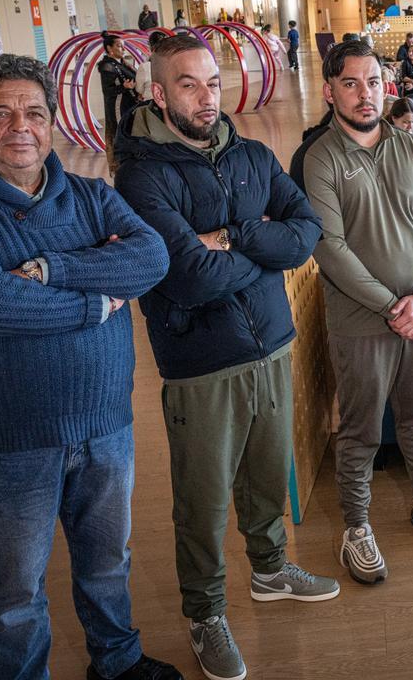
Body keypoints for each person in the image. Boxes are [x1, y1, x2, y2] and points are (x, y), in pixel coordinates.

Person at [0, 54, 179, 680]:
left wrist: (48, 270)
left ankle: (116, 661)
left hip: (106, 426)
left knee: (107, 562)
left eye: (34, 112)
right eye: (0, 113)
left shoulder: (91, 195)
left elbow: (151, 258)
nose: (20, 127)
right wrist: (96, 304)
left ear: (53, 121)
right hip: (10, 440)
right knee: (16, 590)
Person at [114, 35, 334, 680]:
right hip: (201, 361)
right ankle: (205, 612)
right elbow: (188, 277)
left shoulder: (254, 155)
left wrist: (231, 238)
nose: (207, 97)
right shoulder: (141, 177)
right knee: (203, 503)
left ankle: (269, 571)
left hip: (271, 344)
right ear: (159, 94)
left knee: (266, 478)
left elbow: (305, 234)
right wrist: (258, 249)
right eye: (189, 84)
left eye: (213, 82)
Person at [303, 40, 413, 587]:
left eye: (374, 82)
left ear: (388, 86)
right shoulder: (321, 158)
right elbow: (330, 249)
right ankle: (356, 527)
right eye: (351, 83)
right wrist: (390, 305)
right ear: (330, 91)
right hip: (361, 322)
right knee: (359, 432)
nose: (365, 94)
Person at [97, 31, 139, 176]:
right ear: (109, 48)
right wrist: (124, 87)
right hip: (117, 109)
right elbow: (107, 91)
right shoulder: (107, 66)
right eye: (119, 46)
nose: (123, 49)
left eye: (123, 46)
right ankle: (120, 170)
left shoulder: (123, 64)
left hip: (129, 106)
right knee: (118, 136)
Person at [134, 30, 169, 98]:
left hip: (151, 101)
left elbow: (139, 89)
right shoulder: (174, 64)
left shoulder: (145, 67)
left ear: (150, 46)